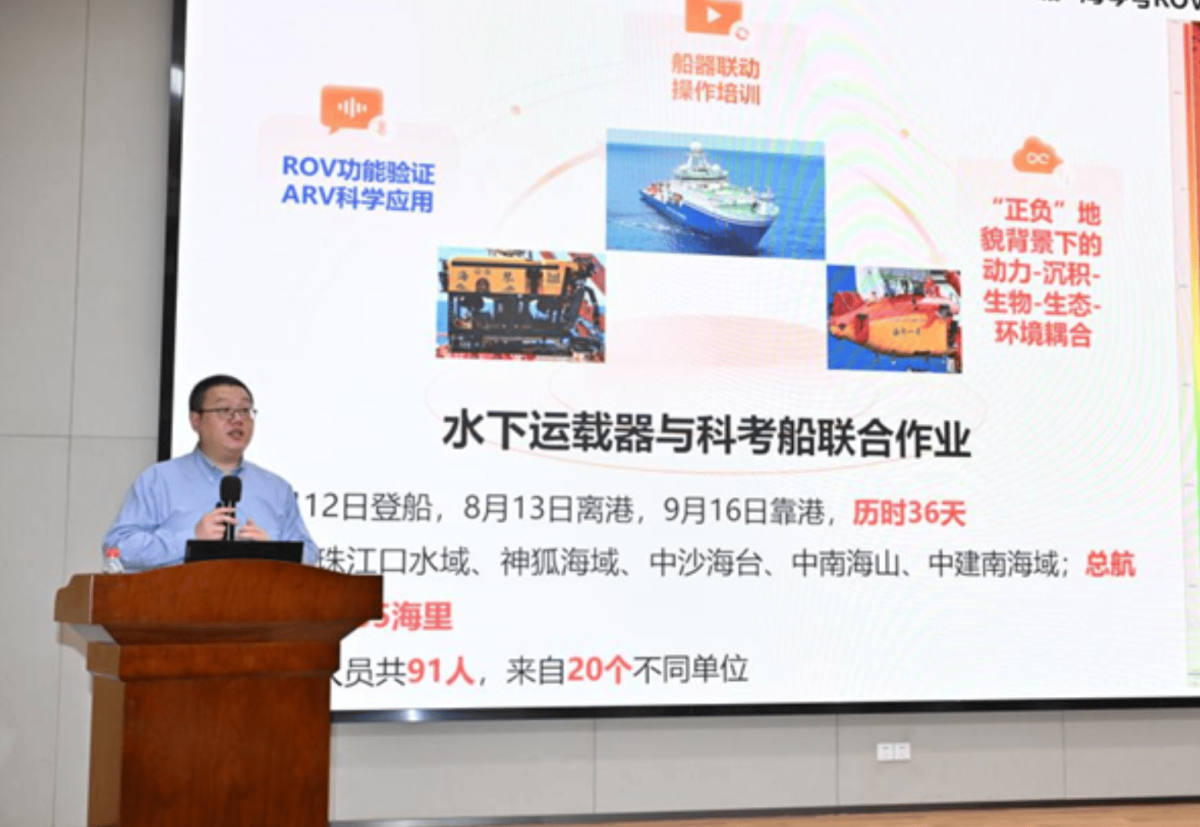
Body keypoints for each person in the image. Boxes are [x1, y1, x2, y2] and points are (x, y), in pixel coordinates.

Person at [102, 374, 319, 570]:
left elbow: (309, 554)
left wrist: (273, 551)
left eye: (245, 410)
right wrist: (190, 538)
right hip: (178, 600)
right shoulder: (159, 480)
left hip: (259, 601)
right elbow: (118, 547)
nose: (238, 419)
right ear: (195, 420)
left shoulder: (277, 489)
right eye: (224, 410)